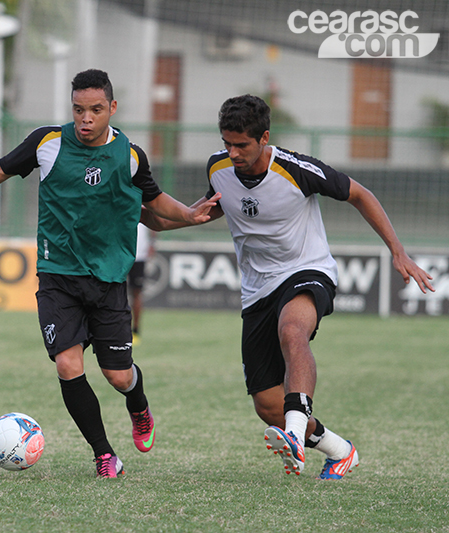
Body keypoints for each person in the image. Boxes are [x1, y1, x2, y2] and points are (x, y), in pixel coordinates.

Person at [0, 69, 220, 478]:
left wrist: (190, 214)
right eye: (78, 110)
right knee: (68, 365)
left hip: (107, 280)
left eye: (96, 110)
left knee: (118, 376)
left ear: (112, 109)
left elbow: (155, 205)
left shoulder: (130, 154)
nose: (85, 118)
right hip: (57, 275)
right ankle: (104, 454)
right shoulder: (47, 143)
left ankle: (138, 406)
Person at [142, 94, 434, 479]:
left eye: (241, 145)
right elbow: (194, 213)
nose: (232, 153)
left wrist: (397, 251)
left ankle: (294, 435)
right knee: (267, 405)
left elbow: (361, 195)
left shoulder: (297, 169)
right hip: (256, 289)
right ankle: (340, 450)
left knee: (292, 330)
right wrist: (140, 214)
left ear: (264, 137)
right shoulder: (218, 168)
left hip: (306, 270)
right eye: (226, 143)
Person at [127, 223, 154, 346]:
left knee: (136, 293)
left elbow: (154, 221)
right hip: (118, 253)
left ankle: (135, 330)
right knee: (113, 291)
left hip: (139, 254)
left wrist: (152, 243)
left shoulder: (143, 203)